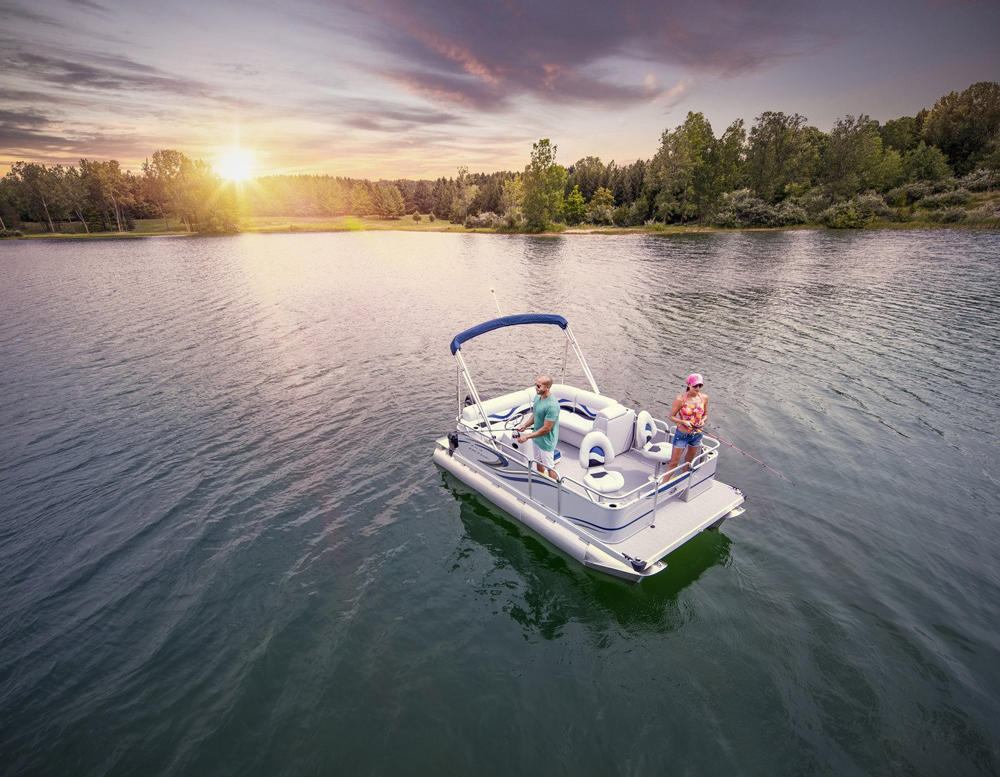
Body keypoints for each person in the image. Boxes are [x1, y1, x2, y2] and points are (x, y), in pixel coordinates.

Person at [664, 373, 709, 483]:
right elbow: (671, 417)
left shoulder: (704, 398)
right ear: (688, 384)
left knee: (689, 462)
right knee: (674, 463)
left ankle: (684, 482)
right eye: (695, 386)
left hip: (697, 435)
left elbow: (705, 415)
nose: (698, 388)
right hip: (682, 435)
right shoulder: (680, 399)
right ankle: (662, 485)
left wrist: (702, 421)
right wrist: (683, 422)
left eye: (700, 386)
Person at [514, 375, 560, 479]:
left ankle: (554, 485)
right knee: (538, 461)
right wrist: (525, 425)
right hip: (536, 438)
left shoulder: (552, 406)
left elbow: (546, 429)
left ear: (547, 387)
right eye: (536, 385)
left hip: (546, 442)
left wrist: (527, 437)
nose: (536, 387)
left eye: (539, 386)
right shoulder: (537, 397)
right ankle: (542, 479)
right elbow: (535, 415)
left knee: (550, 467)